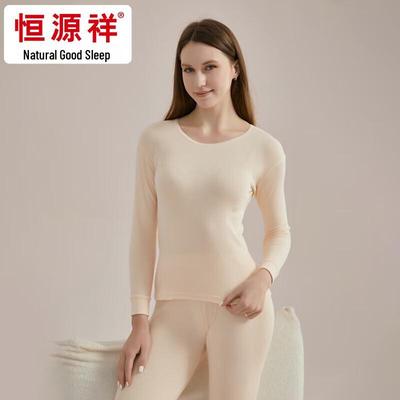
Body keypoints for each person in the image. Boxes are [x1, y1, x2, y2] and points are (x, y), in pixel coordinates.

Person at [113, 18, 291, 400]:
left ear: (235, 68)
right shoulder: (156, 141)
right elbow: (143, 233)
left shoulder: (264, 148)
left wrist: (263, 278)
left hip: (240, 309)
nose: (199, 81)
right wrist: (139, 319)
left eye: (210, 67)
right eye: (188, 70)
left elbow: (279, 231)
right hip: (173, 313)